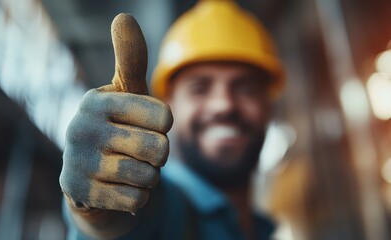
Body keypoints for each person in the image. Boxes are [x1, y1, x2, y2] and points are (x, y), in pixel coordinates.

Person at [59, 0, 285, 239]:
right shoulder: (163, 207)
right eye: (200, 88)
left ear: (268, 106)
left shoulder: (262, 229)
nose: (224, 104)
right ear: (169, 103)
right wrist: (100, 214)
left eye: (246, 89)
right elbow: (129, 224)